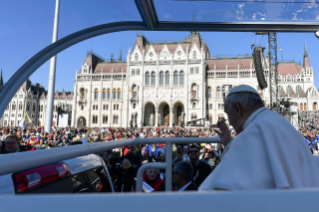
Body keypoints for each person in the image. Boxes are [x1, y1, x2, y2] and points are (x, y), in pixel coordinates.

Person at [199, 85, 319, 191]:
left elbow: (215, 188)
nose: (229, 122)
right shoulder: (281, 122)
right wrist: (230, 144)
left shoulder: (254, 131)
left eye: (228, 114)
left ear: (237, 109)